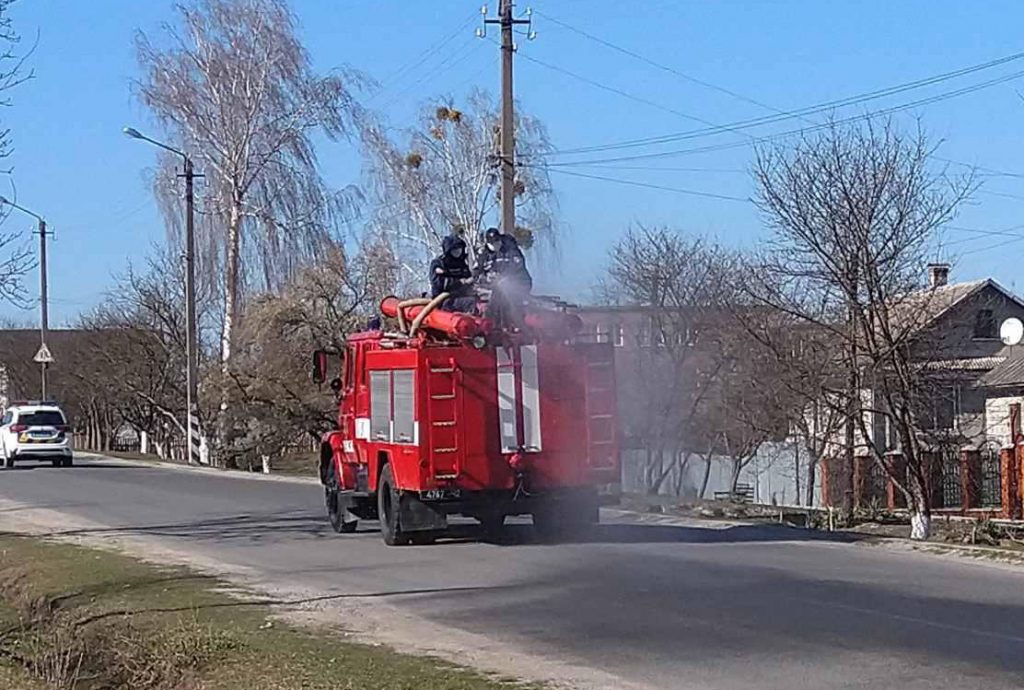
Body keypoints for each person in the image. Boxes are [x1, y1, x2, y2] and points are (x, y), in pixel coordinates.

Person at [474, 227, 532, 331]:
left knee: (507, 295)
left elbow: (517, 268)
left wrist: (503, 277)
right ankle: (492, 325)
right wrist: (485, 277)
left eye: (497, 242)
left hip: (518, 284)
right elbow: (476, 271)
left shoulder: (511, 251)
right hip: (492, 288)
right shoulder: (484, 255)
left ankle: (516, 323)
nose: (495, 245)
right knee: (494, 298)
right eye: (492, 243)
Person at [429, 234, 476, 313]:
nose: (458, 252)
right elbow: (437, 282)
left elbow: (469, 278)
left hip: (462, 296)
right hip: (445, 301)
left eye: (459, 249)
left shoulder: (462, 264)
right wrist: (460, 282)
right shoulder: (439, 263)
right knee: (471, 303)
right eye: (455, 250)